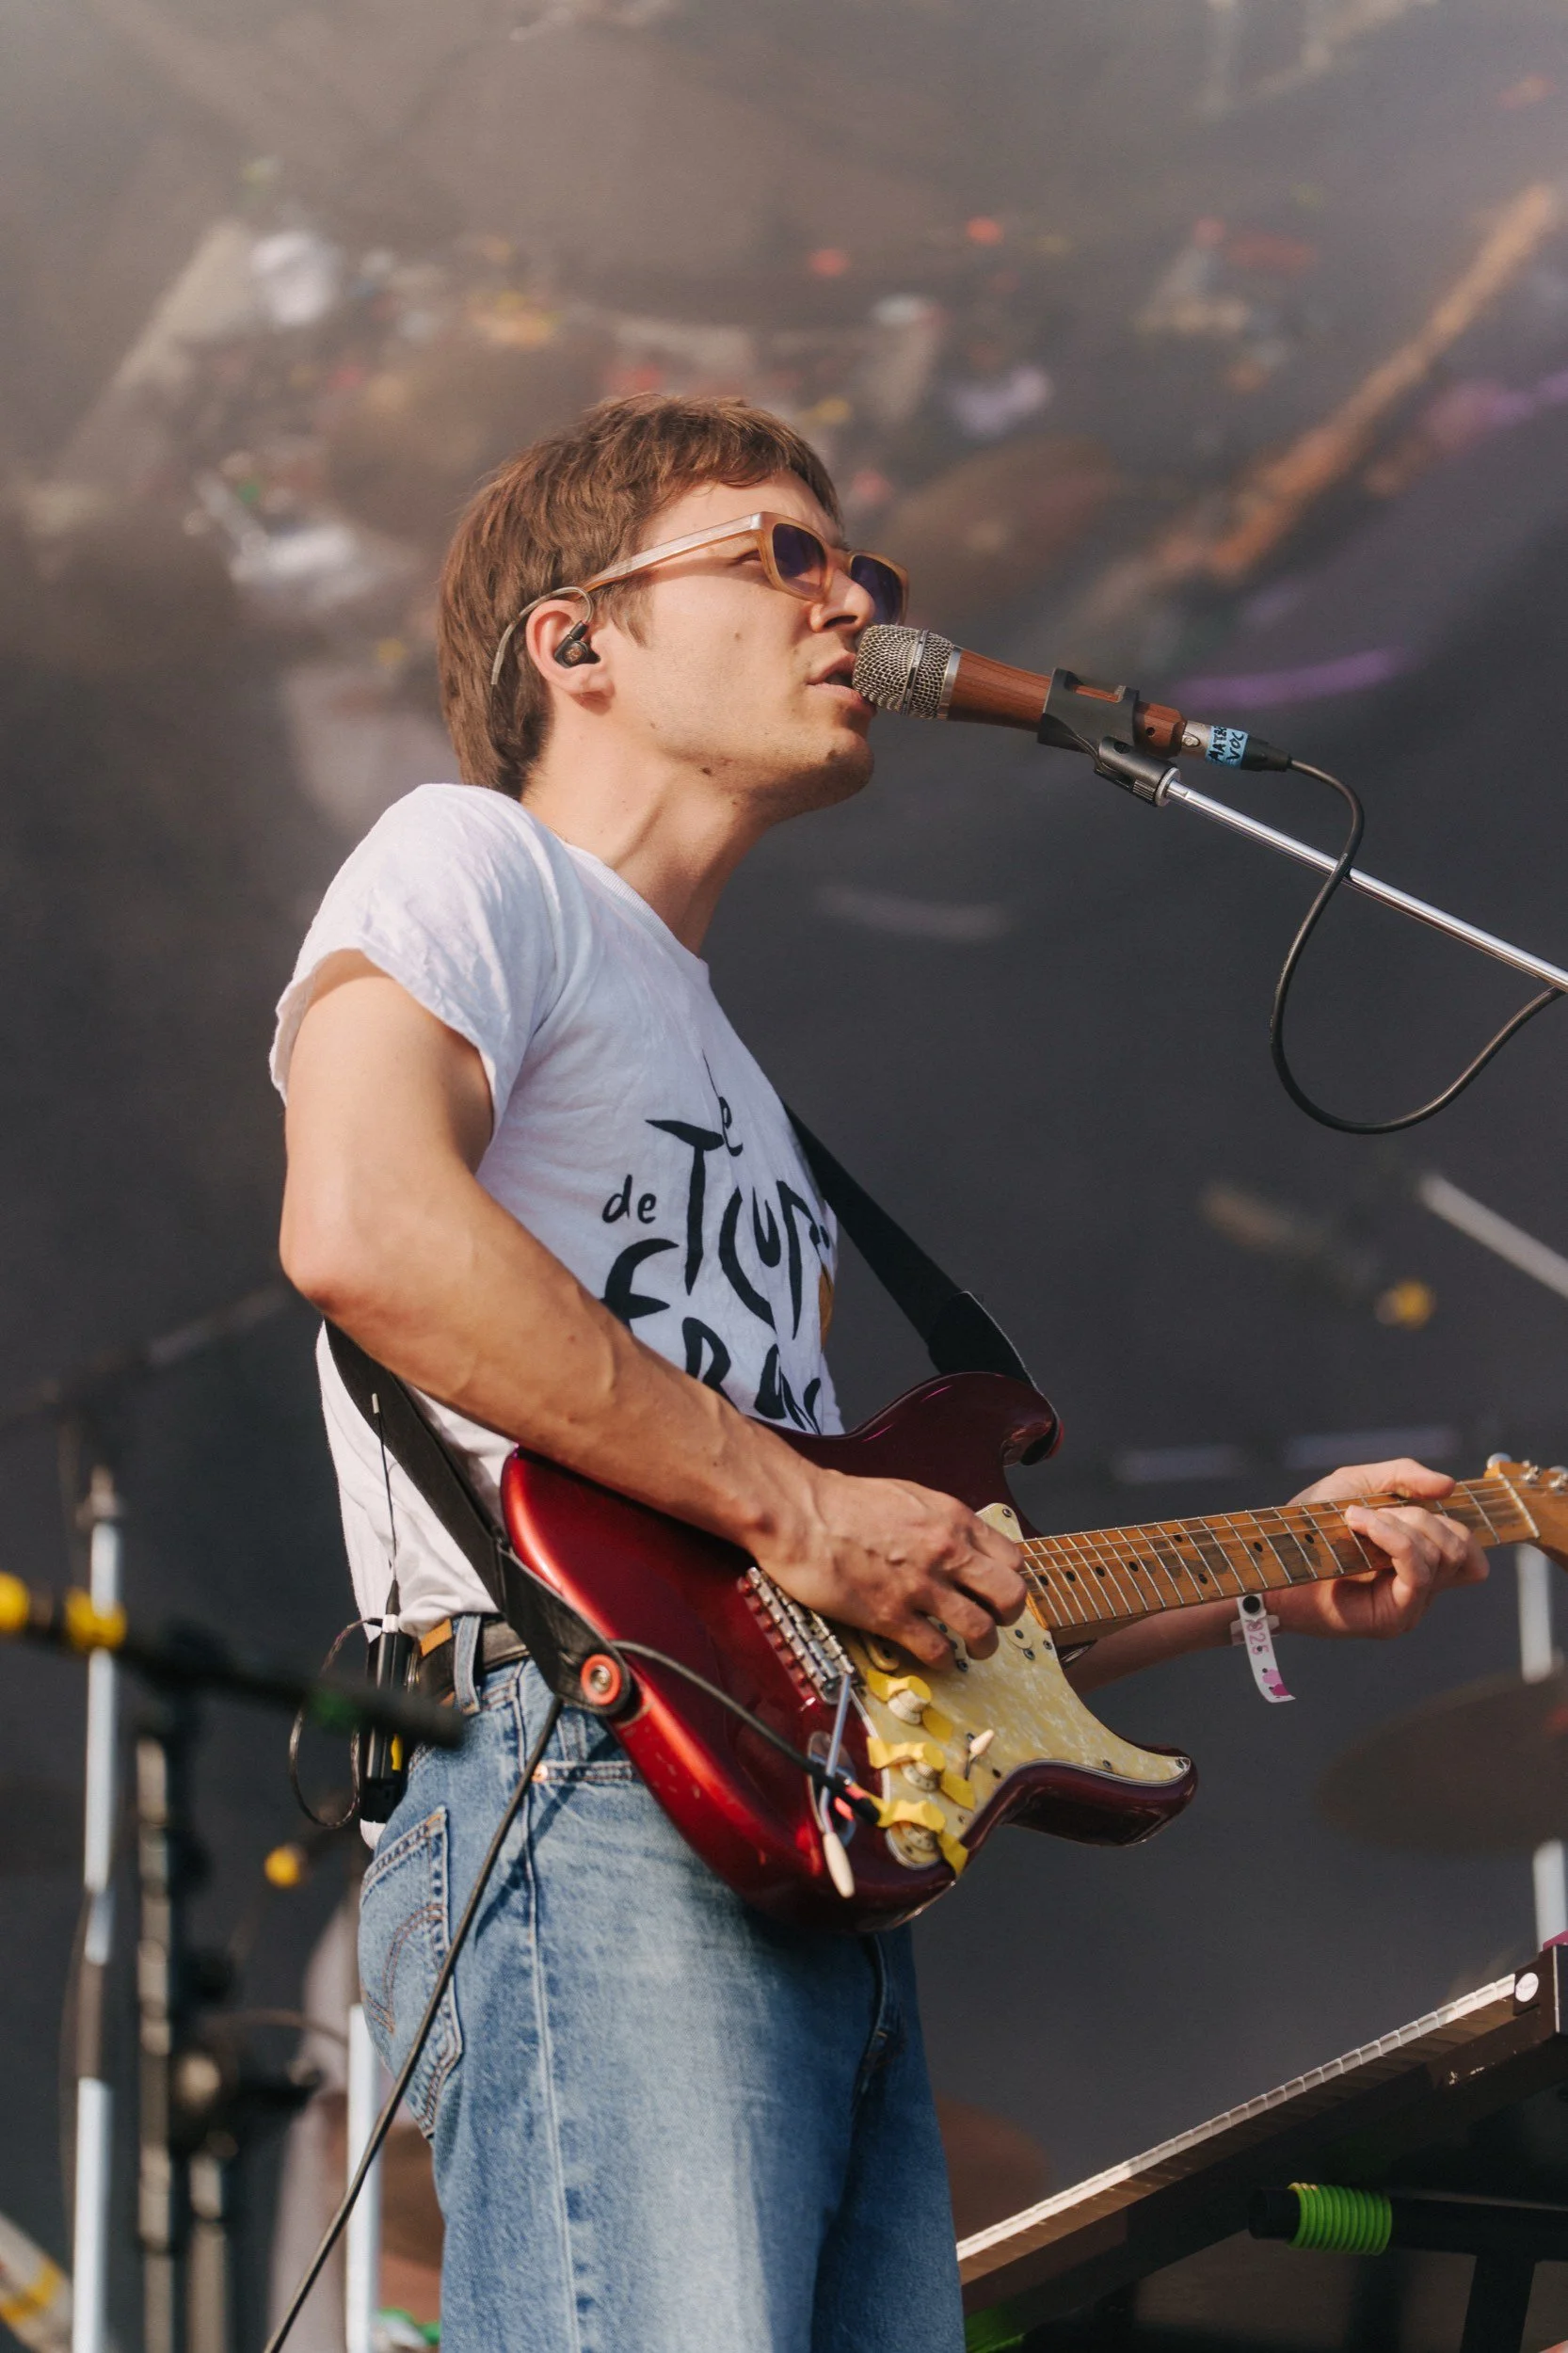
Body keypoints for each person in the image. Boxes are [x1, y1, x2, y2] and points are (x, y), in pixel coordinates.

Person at [273, 392, 1486, 2353]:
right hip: (577, 1784)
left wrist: (1260, 1567)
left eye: (862, 570)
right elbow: (362, 1223)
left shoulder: (742, 1096)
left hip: (793, 1829)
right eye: (779, 555)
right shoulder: (467, 866)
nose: (850, 603)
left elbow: (855, 1613)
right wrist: (802, 1501)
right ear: (573, 640)